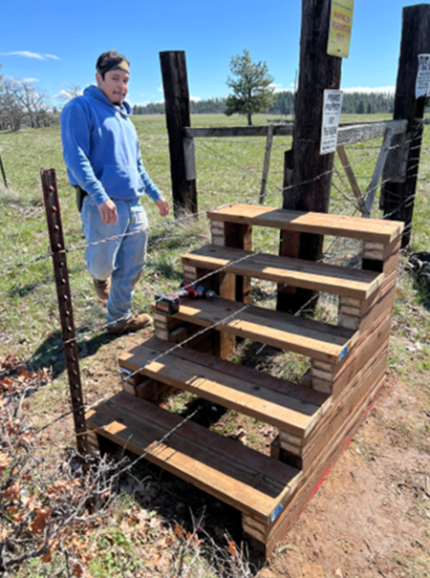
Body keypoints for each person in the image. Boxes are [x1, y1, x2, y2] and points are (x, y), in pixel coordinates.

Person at [61, 50, 169, 334]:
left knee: (134, 264)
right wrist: (99, 196)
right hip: (102, 205)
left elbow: (137, 165)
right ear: (99, 78)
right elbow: (76, 157)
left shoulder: (126, 119)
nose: (121, 85)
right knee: (102, 265)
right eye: (114, 78)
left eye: (125, 80)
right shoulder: (80, 108)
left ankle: (119, 319)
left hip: (133, 203)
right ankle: (99, 278)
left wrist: (155, 194)